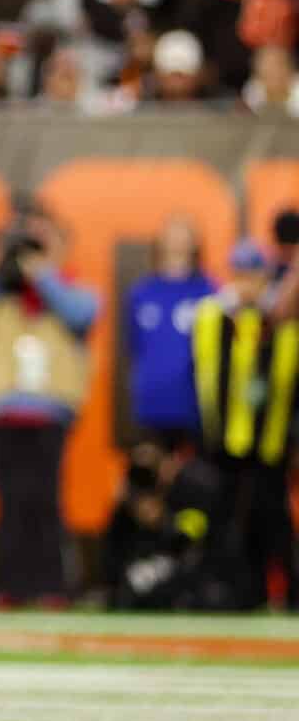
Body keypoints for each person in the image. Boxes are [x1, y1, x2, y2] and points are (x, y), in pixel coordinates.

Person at [0, 212, 98, 607]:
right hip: (6, 408)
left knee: (44, 499)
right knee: (11, 502)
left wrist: (42, 274)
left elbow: (81, 314)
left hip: (50, 410)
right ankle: (14, 586)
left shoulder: (71, 290)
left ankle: (50, 586)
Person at [191, 239, 296, 610]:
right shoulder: (217, 315)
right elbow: (208, 375)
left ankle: (283, 593)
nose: (248, 283)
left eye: (254, 275)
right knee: (223, 520)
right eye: (241, 274)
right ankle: (232, 593)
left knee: (272, 520)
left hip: (271, 439)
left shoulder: (280, 317)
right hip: (224, 440)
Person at [126, 216, 216, 446]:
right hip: (152, 403)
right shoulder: (142, 293)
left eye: (182, 234)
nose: (176, 241)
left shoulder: (208, 292)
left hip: (196, 406)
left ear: (194, 243)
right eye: (170, 234)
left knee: (194, 479)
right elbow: (133, 347)